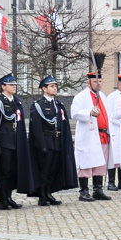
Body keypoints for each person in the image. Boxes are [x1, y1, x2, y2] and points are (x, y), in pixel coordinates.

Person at [28, 76, 77, 205]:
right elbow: (36, 128)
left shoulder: (58, 105)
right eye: (51, 86)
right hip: (46, 141)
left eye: (55, 85)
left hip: (57, 141)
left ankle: (49, 193)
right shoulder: (38, 105)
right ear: (44, 89)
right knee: (44, 170)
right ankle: (42, 196)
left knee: (53, 169)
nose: (55, 88)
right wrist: (41, 144)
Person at [0, 73, 33, 210]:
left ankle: (9, 197)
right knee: (5, 171)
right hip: (5, 139)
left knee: (13, 170)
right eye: (11, 84)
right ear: (3, 87)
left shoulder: (16, 101)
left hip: (15, 139)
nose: (14, 86)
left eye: (14, 84)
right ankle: (3, 199)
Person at [71, 72, 113, 203]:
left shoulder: (103, 96)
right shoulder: (81, 96)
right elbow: (75, 113)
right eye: (95, 82)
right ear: (88, 83)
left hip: (103, 135)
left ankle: (98, 190)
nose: (98, 84)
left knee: (100, 163)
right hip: (89, 135)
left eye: (100, 82)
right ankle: (84, 191)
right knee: (86, 162)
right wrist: (89, 112)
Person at [105, 74, 121, 191]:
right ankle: (111, 181)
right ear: (119, 84)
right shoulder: (112, 97)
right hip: (115, 129)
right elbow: (111, 115)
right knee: (114, 157)